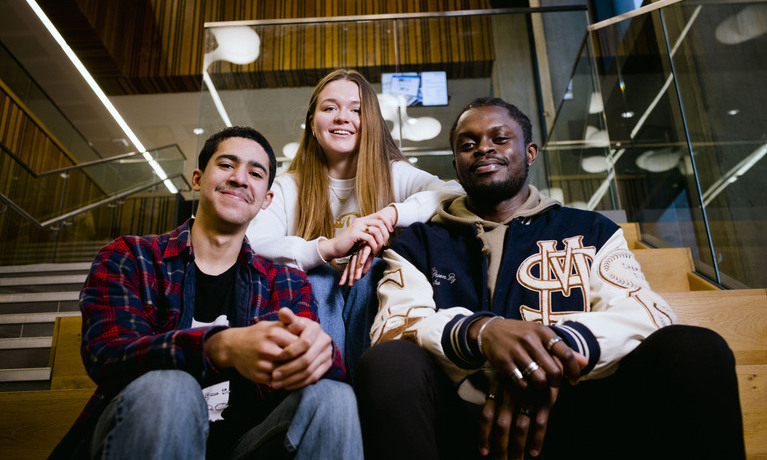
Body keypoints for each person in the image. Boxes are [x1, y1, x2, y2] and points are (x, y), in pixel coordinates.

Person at [354, 98, 745, 460]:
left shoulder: (590, 230)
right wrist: (481, 332)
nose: (483, 148)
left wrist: (548, 357)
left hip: (574, 412)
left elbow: (647, 315)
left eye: (499, 138)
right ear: (456, 165)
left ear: (529, 152)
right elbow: (394, 327)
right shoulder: (420, 242)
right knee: (388, 362)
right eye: (468, 143)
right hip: (462, 418)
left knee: (695, 348)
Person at [50, 126, 362, 459]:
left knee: (334, 397)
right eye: (227, 165)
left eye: (255, 173)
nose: (240, 178)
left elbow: (310, 377)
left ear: (266, 199)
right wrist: (217, 347)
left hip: (248, 444)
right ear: (197, 179)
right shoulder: (131, 257)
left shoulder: (285, 283)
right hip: (145, 431)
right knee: (172, 389)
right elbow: (108, 355)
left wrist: (320, 356)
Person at [246, 68, 463, 374]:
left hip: (373, 300)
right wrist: (328, 248)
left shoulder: (393, 174)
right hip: (311, 305)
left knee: (372, 272)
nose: (341, 117)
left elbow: (454, 193)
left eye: (356, 110)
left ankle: (367, 393)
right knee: (320, 279)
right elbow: (252, 245)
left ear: (371, 121)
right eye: (329, 108)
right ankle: (329, 391)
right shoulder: (287, 185)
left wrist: (391, 214)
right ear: (312, 121)